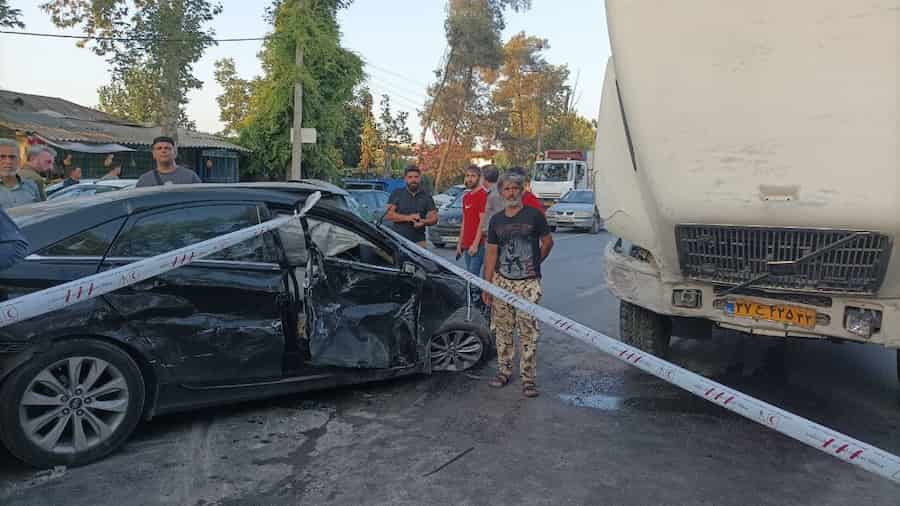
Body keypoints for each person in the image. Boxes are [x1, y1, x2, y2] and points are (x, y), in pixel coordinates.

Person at [482, 171, 554, 398]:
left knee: (527, 332)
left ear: (521, 190)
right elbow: (491, 254)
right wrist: (488, 285)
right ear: (501, 192)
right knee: (503, 330)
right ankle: (504, 371)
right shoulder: (496, 220)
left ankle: (528, 379)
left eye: (515, 188)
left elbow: (548, 242)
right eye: (507, 189)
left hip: (528, 284)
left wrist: (535, 262)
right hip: (502, 282)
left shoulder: (534, 215)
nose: (511, 192)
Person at [385, 165, 437, 247]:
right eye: (410, 177)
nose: (413, 180)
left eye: (416, 177)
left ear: (420, 178)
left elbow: (434, 218)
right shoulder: (397, 193)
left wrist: (423, 221)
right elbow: (388, 215)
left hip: (419, 242)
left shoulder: (426, 196)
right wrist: (409, 218)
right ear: (405, 179)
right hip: (398, 241)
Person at [457, 165, 488, 275]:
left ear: (479, 178)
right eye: (467, 176)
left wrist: (475, 244)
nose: (469, 179)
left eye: (473, 176)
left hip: (478, 246)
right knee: (469, 277)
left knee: (473, 277)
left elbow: (482, 221)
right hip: (466, 244)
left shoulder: (483, 195)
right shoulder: (466, 197)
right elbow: (465, 221)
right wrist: (460, 243)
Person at [136, 136, 202, 187]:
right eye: (159, 148)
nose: (163, 151)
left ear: (175, 153)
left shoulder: (190, 177)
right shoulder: (145, 181)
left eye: (167, 148)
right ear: (153, 154)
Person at [0, 139, 41, 209]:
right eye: (2, 157)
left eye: (12, 157)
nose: (8, 161)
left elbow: (40, 213)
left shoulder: (31, 186)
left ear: (19, 160)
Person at [470, 164, 502, 254]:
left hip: (495, 240)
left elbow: (499, 217)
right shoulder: (492, 193)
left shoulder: (495, 195)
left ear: (484, 177)